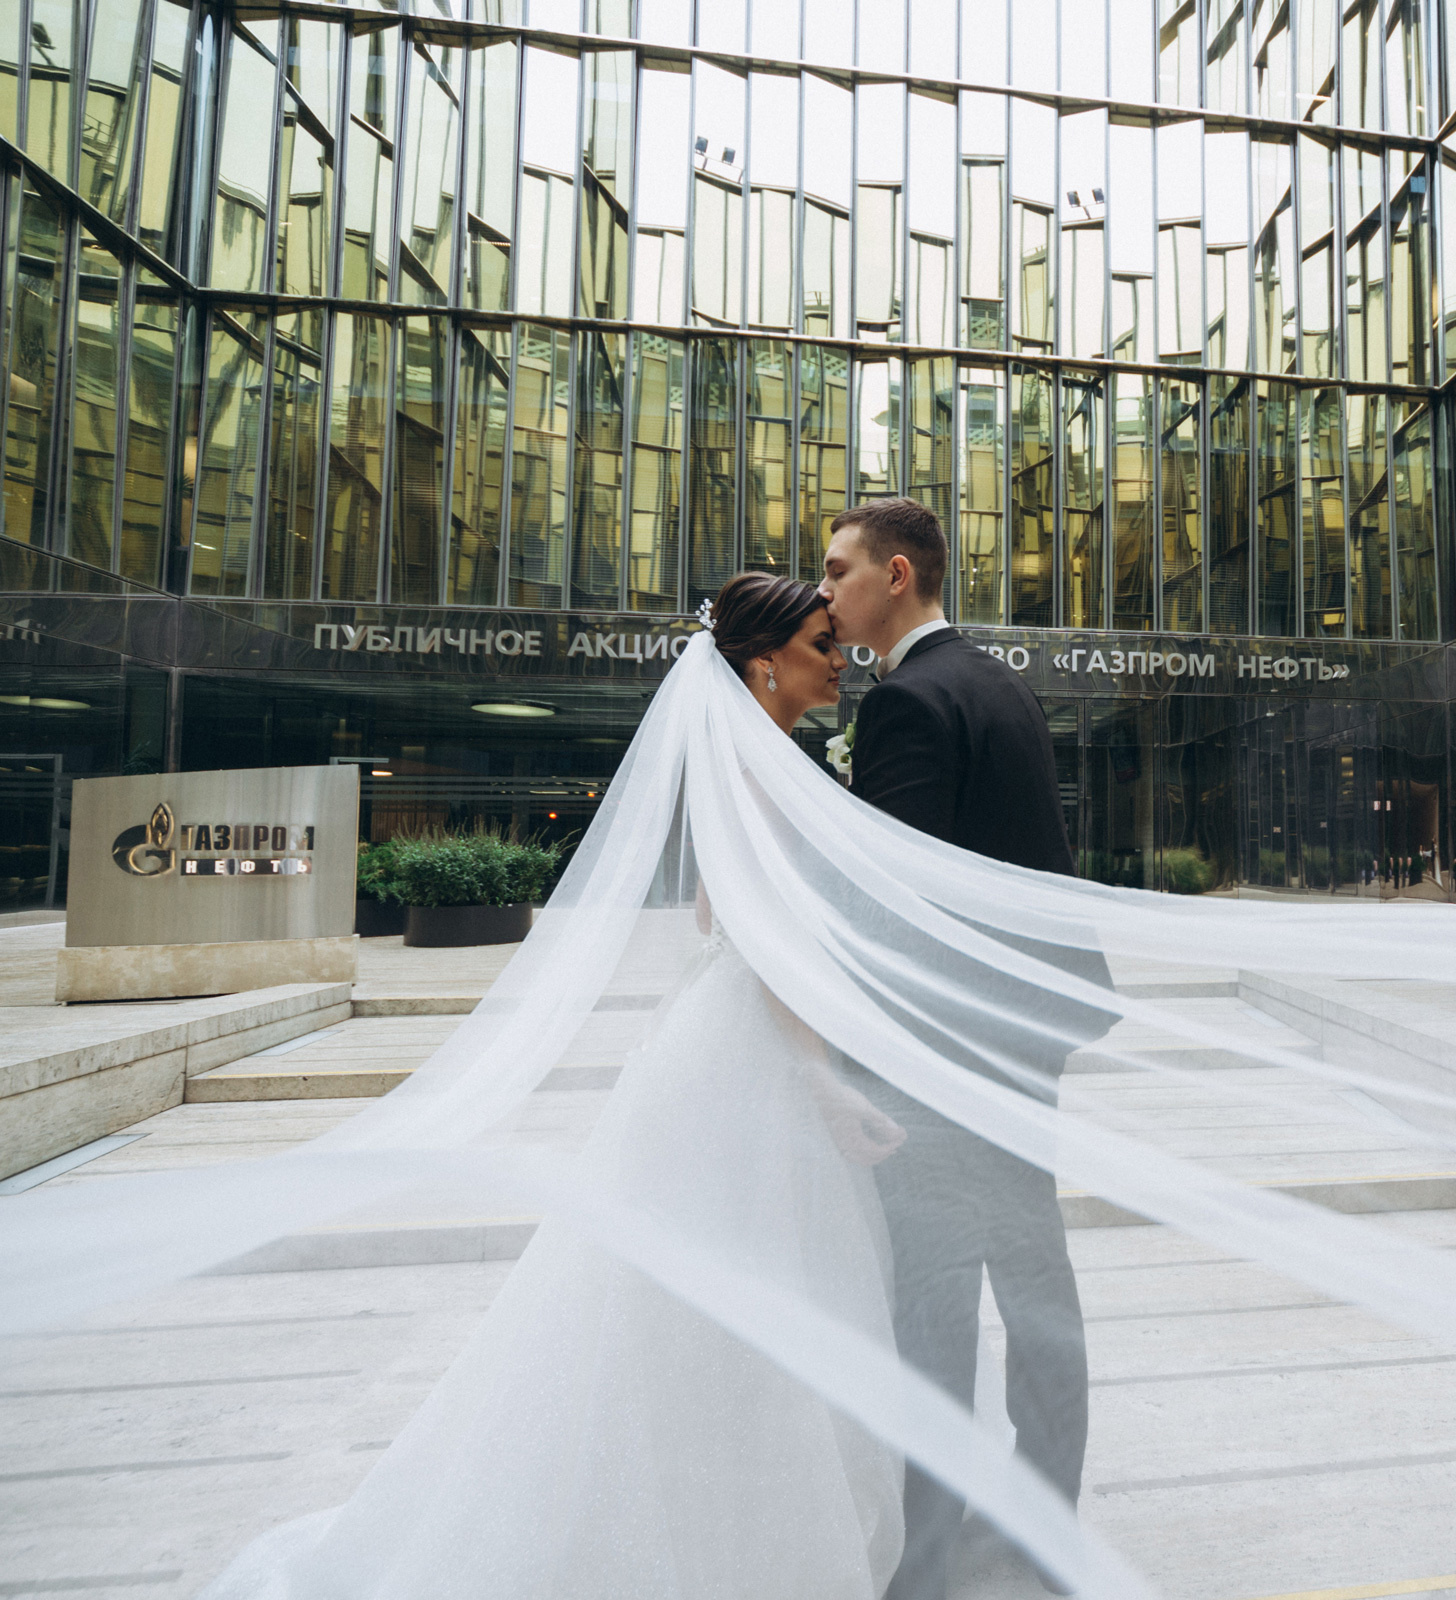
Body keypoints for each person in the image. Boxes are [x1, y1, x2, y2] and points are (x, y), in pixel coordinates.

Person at [198, 573, 911, 1599]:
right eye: (818, 642)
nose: (838, 659)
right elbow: (760, 940)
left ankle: (701, 1521)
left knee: (705, 1298)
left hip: (714, 1045)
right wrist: (819, 1075)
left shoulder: (743, 759)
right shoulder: (759, 771)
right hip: (749, 1055)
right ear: (764, 663)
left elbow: (713, 914)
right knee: (749, 1289)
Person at [819, 498, 1115, 1600]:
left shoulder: (907, 702)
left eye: (839, 570)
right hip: (1024, 1030)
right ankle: (1044, 1518)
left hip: (943, 1052)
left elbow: (897, 904)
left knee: (935, 1307)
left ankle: (929, 1557)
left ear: (897, 575)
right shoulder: (999, 683)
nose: (825, 592)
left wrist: (846, 1055)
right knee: (1035, 1279)